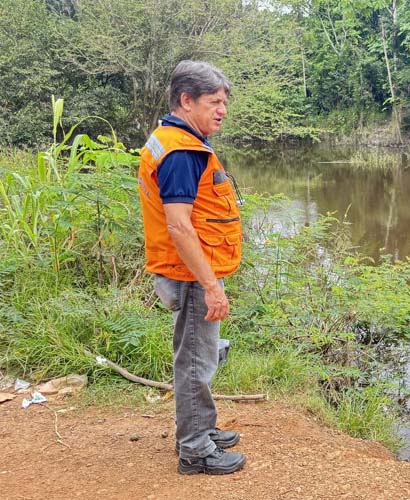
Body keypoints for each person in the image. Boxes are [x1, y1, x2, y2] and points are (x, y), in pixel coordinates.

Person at [138, 60, 246, 475]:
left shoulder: (174, 140)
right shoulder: (182, 152)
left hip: (189, 269)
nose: (222, 110)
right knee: (197, 361)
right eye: (214, 102)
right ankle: (196, 450)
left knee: (198, 355)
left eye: (224, 103)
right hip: (190, 274)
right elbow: (180, 226)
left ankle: (202, 428)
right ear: (186, 100)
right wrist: (212, 287)